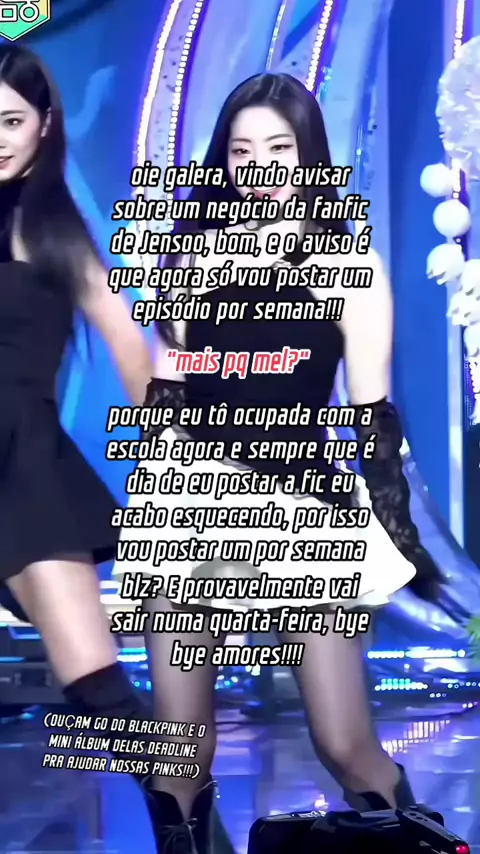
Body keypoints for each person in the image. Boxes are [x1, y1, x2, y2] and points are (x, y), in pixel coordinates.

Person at [113, 73, 446, 853]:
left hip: (302, 513)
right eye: (241, 152)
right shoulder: (188, 254)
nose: (258, 168)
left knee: (345, 743)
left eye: (278, 148)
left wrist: (400, 537)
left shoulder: (347, 263)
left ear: (308, 155)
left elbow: (370, 416)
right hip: (190, 505)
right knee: (180, 752)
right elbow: (171, 391)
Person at [0, 44, 239, 854]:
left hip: (23, 467)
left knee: (94, 683)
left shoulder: (51, 228)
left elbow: (133, 352)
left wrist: (179, 466)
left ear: (45, 126)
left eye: (11, 121)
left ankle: (192, 826)